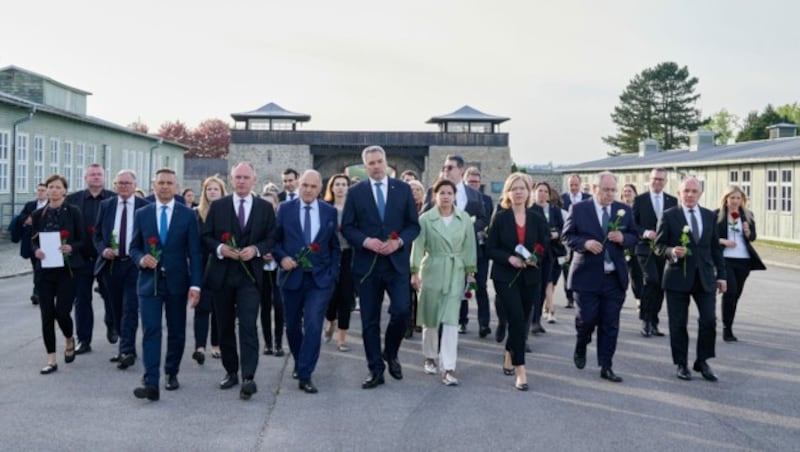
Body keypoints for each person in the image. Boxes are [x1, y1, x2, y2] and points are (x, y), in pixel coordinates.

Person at [341, 145, 420, 390]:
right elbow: (348, 226)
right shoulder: (356, 192)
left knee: (402, 312)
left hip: (396, 265)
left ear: (386, 163)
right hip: (367, 266)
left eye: (379, 161)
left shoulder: (403, 189)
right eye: (371, 163)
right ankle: (375, 369)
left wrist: (399, 242)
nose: (376, 166)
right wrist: (366, 241)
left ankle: (391, 352)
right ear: (365, 167)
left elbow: (413, 226)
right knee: (369, 321)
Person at [202, 162, 276, 400]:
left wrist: (255, 249)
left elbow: (272, 237)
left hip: (250, 277)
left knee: (247, 325)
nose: (242, 181)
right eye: (238, 177)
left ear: (254, 179)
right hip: (222, 275)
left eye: (246, 177)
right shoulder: (219, 206)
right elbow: (206, 237)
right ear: (231, 179)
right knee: (224, 326)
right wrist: (222, 248)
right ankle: (231, 371)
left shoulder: (265, 208)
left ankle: (248, 376)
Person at [129, 168, 202, 401]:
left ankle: (171, 371)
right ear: (154, 185)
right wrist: (141, 258)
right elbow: (133, 247)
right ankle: (151, 381)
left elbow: (195, 253)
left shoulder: (187, 215)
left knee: (177, 331)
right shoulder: (142, 213)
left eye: (170, 183)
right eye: (160, 182)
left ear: (177, 187)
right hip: (149, 283)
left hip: (177, 282)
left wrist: (196, 285)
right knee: (151, 330)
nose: (165, 186)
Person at [563, 171, 637, 383]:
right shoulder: (579, 209)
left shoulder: (623, 210)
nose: (610, 194)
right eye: (605, 190)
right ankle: (581, 342)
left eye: (613, 190)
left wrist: (623, 237)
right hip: (586, 276)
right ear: (594, 189)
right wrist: (584, 244)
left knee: (610, 324)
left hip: (613, 278)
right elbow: (567, 236)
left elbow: (635, 236)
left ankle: (606, 365)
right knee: (586, 320)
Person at [273, 170, 341, 394]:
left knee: (313, 323)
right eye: (305, 185)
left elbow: (334, 246)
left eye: (313, 186)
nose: (309, 190)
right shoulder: (285, 209)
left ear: (320, 188)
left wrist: (332, 273)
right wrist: (282, 258)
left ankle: (305, 373)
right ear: (299, 186)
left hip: (320, 280)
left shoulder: (329, 212)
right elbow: (274, 241)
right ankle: (300, 360)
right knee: (292, 325)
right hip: (292, 278)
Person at [655, 177, 727, 382]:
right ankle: (681, 363)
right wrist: (672, 251)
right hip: (677, 277)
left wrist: (722, 275)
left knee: (709, 320)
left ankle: (702, 361)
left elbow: (715, 249)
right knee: (678, 323)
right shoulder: (669, 216)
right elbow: (658, 247)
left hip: (704, 278)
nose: (690, 195)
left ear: (700, 194)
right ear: (679, 193)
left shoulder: (709, 216)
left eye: (694, 191)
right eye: (686, 191)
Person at [487, 173, 549, 391]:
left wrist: (535, 258)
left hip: (530, 276)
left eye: (522, 188)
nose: (519, 192)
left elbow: (544, 246)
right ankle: (521, 370)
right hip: (505, 276)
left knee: (522, 319)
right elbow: (490, 248)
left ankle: (508, 352)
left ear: (528, 192)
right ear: (508, 193)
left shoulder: (537, 217)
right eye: (514, 189)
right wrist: (509, 258)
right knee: (515, 317)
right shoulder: (501, 218)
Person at [411, 179, 477, 386]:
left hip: (455, 270)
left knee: (450, 321)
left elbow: (469, 246)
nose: (446, 196)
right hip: (431, 269)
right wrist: (414, 272)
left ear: (455, 195)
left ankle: (448, 367)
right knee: (430, 317)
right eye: (442, 193)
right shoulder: (425, 219)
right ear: (435, 196)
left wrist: (470, 271)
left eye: (450, 192)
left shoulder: (464, 218)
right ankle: (430, 356)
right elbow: (418, 246)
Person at [424, 155, 487, 336]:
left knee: (462, 292)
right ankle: (442, 330)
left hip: (465, 252)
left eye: (450, 167)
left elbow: (483, 218)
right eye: (444, 168)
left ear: (461, 169)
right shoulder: (433, 191)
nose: (446, 171)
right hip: (441, 253)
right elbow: (424, 218)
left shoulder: (474, 194)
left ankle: (461, 326)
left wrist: (466, 228)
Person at [93, 170, 148, 370]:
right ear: (114, 185)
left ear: (135, 185)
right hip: (112, 264)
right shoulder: (106, 206)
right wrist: (103, 249)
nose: (124, 186)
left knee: (130, 308)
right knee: (115, 307)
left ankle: (126, 350)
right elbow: (97, 235)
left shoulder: (144, 207)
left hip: (134, 264)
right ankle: (125, 345)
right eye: (120, 183)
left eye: (127, 183)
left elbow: (149, 236)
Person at [30, 174, 84, 374]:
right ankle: (51, 358)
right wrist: (36, 250)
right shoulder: (38, 214)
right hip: (45, 271)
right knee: (46, 315)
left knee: (62, 312)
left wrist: (71, 247)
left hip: (67, 270)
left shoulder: (73, 212)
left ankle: (69, 338)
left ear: (64, 191)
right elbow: (33, 240)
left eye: (57, 187)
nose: (53, 190)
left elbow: (82, 240)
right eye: (50, 186)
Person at [66, 163, 115, 354]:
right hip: (81, 257)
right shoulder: (73, 200)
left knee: (110, 295)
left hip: (107, 258)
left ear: (104, 177)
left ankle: (111, 323)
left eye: (99, 174)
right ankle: (84, 340)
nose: (95, 177)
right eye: (92, 174)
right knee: (82, 299)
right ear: (85, 178)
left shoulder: (114, 198)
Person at [715, 186, 766, 342]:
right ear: (726, 199)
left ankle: (729, 323)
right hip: (725, 259)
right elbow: (709, 237)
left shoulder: (748, 215)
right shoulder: (716, 215)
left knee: (736, 295)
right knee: (729, 292)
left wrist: (747, 232)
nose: (735, 201)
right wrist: (723, 241)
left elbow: (753, 237)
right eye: (732, 198)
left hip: (743, 260)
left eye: (738, 198)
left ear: (742, 200)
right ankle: (726, 329)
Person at [633, 168, 678, 337]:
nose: (657, 182)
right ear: (649, 180)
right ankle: (645, 319)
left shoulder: (672, 201)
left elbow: (675, 224)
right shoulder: (640, 200)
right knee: (651, 280)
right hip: (645, 248)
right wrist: (645, 233)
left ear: (665, 181)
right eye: (655, 179)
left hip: (663, 249)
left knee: (661, 284)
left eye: (661, 179)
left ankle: (654, 321)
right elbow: (632, 225)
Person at [192, 176, 227, 363]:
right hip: (201, 264)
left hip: (220, 264)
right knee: (201, 307)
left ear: (222, 192)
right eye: (209, 189)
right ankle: (199, 346)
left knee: (218, 307)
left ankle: (216, 344)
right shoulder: (196, 214)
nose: (212, 192)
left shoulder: (228, 213)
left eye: (216, 189)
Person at [323, 174, 355, 352]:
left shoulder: (353, 208)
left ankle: (342, 338)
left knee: (346, 295)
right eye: (338, 184)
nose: (341, 187)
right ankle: (330, 321)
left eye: (344, 184)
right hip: (330, 256)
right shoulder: (326, 208)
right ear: (332, 187)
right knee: (330, 294)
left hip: (349, 255)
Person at [464, 167, 494, 338]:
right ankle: (462, 320)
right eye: (470, 182)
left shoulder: (487, 200)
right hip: (463, 249)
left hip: (481, 250)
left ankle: (484, 324)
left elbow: (489, 220)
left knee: (481, 287)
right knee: (462, 287)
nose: (473, 185)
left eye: (476, 182)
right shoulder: (461, 198)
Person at [532, 181, 566, 327]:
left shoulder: (555, 210)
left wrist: (556, 233)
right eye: (540, 190)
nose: (543, 194)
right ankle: (532, 318)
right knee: (535, 286)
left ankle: (537, 320)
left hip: (550, 253)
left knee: (546, 284)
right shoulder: (531, 209)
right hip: (534, 252)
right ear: (534, 192)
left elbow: (562, 228)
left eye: (546, 191)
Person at [258, 190, 285, 357]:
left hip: (277, 267)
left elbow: (283, 241)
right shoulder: (257, 222)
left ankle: (278, 343)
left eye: (271, 203)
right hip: (261, 268)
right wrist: (262, 252)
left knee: (279, 306)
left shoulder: (279, 222)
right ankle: (268, 343)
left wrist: (273, 252)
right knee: (265, 306)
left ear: (276, 204)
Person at [560, 174, 591, 309]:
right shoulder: (562, 199)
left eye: (576, 185)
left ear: (580, 184)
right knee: (567, 269)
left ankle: (583, 293)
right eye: (571, 185)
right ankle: (569, 297)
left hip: (583, 238)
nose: (573, 187)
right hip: (568, 238)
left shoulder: (588, 199)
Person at [16, 183, 48, 305]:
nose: (40, 193)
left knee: (42, 269)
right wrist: (25, 219)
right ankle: (38, 292)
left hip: (46, 242)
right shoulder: (30, 205)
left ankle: (39, 292)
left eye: (43, 190)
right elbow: (20, 217)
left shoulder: (50, 205)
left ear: (47, 192)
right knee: (36, 268)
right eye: (38, 190)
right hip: (32, 242)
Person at [404, 179, 426, 338]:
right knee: (406, 289)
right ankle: (407, 324)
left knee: (420, 288)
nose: (414, 192)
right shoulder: (402, 208)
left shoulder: (428, 209)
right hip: (405, 251)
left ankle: (419, 320)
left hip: (423, 252)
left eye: (417, 189)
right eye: (411, 189)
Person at [621, 184, 643, 308]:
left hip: (634, 245)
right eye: (625, 191)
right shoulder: (617, 207)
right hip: (621, 245)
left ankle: (638, 297)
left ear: (635, 193)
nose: (627, 193)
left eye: (630, 191)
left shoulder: (638, 208)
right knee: (621, 273)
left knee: (636, 273)